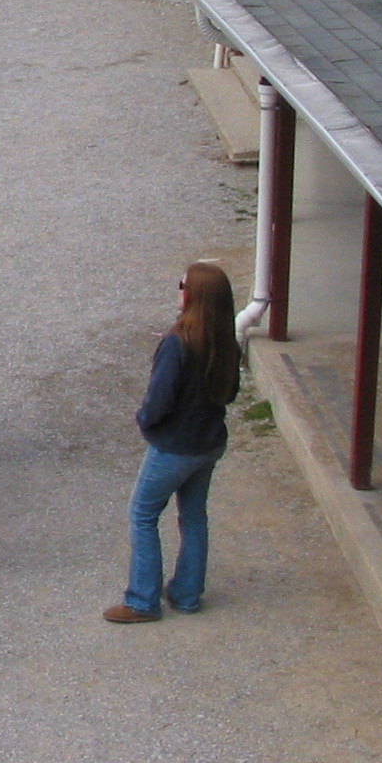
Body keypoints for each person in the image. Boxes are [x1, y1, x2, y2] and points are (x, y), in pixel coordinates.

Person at [106, 262, 241, 624]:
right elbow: (230, 393)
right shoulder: (225, 341)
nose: (179, 290)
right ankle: (186, 594)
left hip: (174, 447)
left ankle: (142, 600)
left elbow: (159, 400)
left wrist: (144, 420)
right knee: (194, 516)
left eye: (182, 285)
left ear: (193, 295)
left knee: (143, 514)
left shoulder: (178, 342)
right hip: (208, 444)